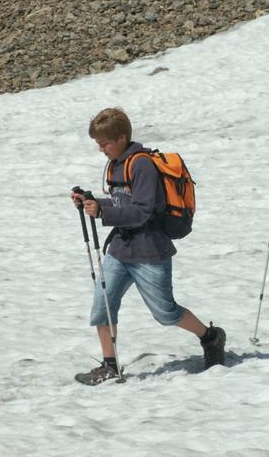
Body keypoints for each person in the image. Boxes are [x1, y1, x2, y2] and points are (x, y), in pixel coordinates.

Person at [71, 107, 226, 384]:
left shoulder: (141, 164)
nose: (101, 149)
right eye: (98, 144)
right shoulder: (115, 163)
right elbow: (121, 202)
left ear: (120, 138)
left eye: (104, 143)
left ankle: (211, 337)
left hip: (149, 252)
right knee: (102, 305)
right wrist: (92, 202)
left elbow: (143, 210)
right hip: (120, 248)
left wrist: (103, 213)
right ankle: (110, 366)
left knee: (166, 313)